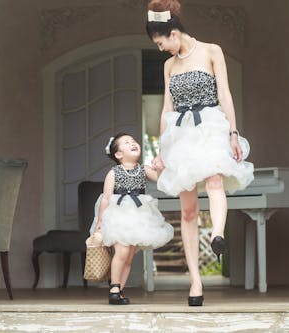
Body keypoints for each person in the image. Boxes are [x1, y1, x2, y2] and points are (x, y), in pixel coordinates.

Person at [146, 0, 254, 306]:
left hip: (210, 125)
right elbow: (167, 109)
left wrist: (233, 132)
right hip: (180, 135)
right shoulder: (168, 66)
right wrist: (162, 151)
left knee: (215, 181)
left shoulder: (211, 51)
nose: (160, 48)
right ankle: (196, 282)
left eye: (160, 41)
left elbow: (225, 94)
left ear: (174, 33)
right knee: (188, 211)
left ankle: (217, 234)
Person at [93, 133, 174, 305]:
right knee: (121, 252)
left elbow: (162, 180)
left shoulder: (143, 169)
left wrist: (161, 166)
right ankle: (114, 286)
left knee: (129, 256)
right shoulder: (113, 173)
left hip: (139, 216)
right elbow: (106, 198)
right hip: (119, 215)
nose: (132, 143)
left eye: (133, 141)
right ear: (118, 155)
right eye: (126, 142)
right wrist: (100, 222)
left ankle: (119, 292)